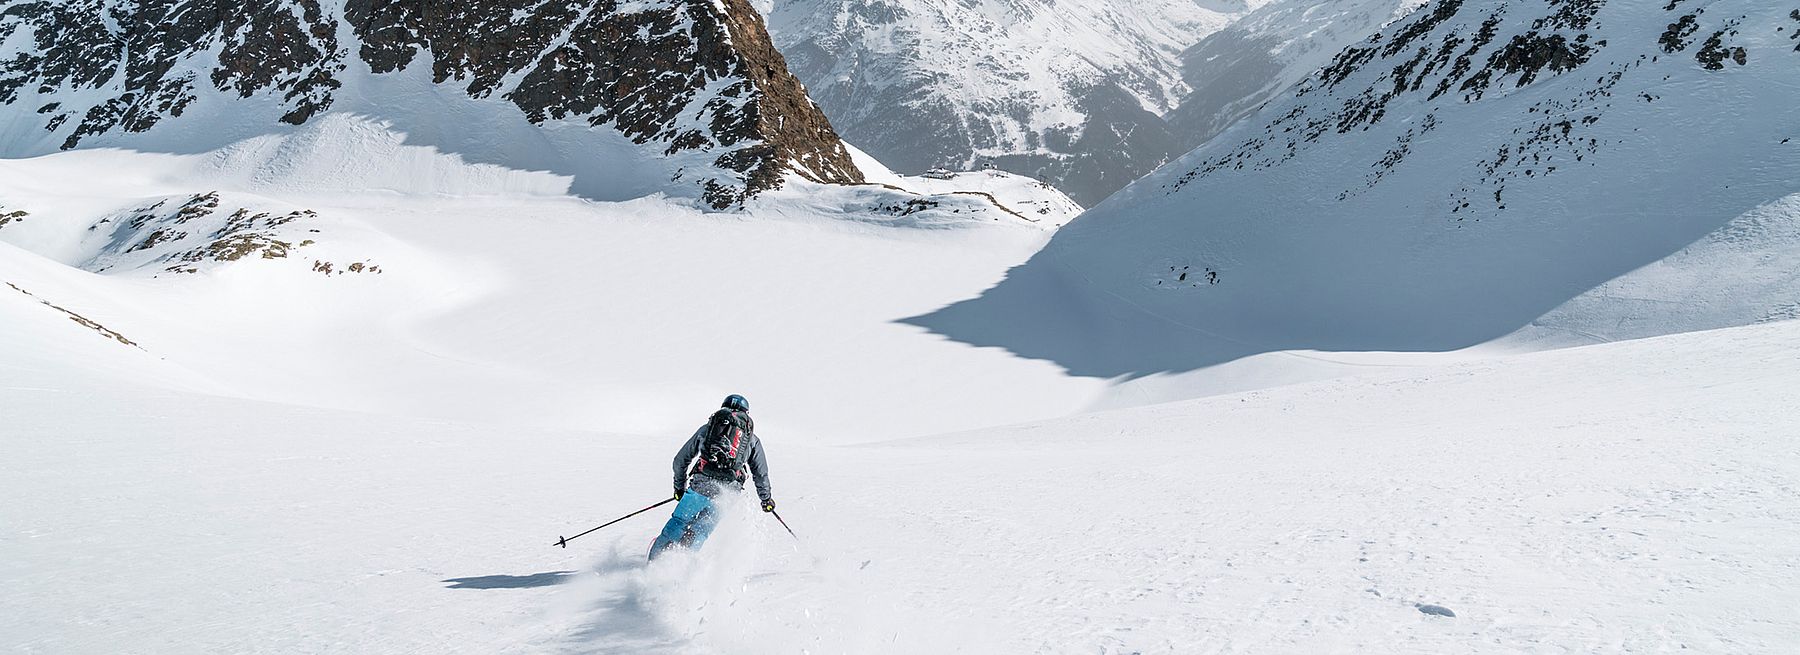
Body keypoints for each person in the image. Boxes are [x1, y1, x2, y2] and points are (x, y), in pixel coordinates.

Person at [649, 394, 775, 559]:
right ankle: (683, 567)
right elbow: (761, 473)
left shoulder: (707, 429)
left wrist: (679, 488)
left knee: (679, 522)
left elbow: (680, 460)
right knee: (700, 531)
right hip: (727, 494)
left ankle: (654, 562)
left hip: (700, 486)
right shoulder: (752, 439)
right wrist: (766, 499)